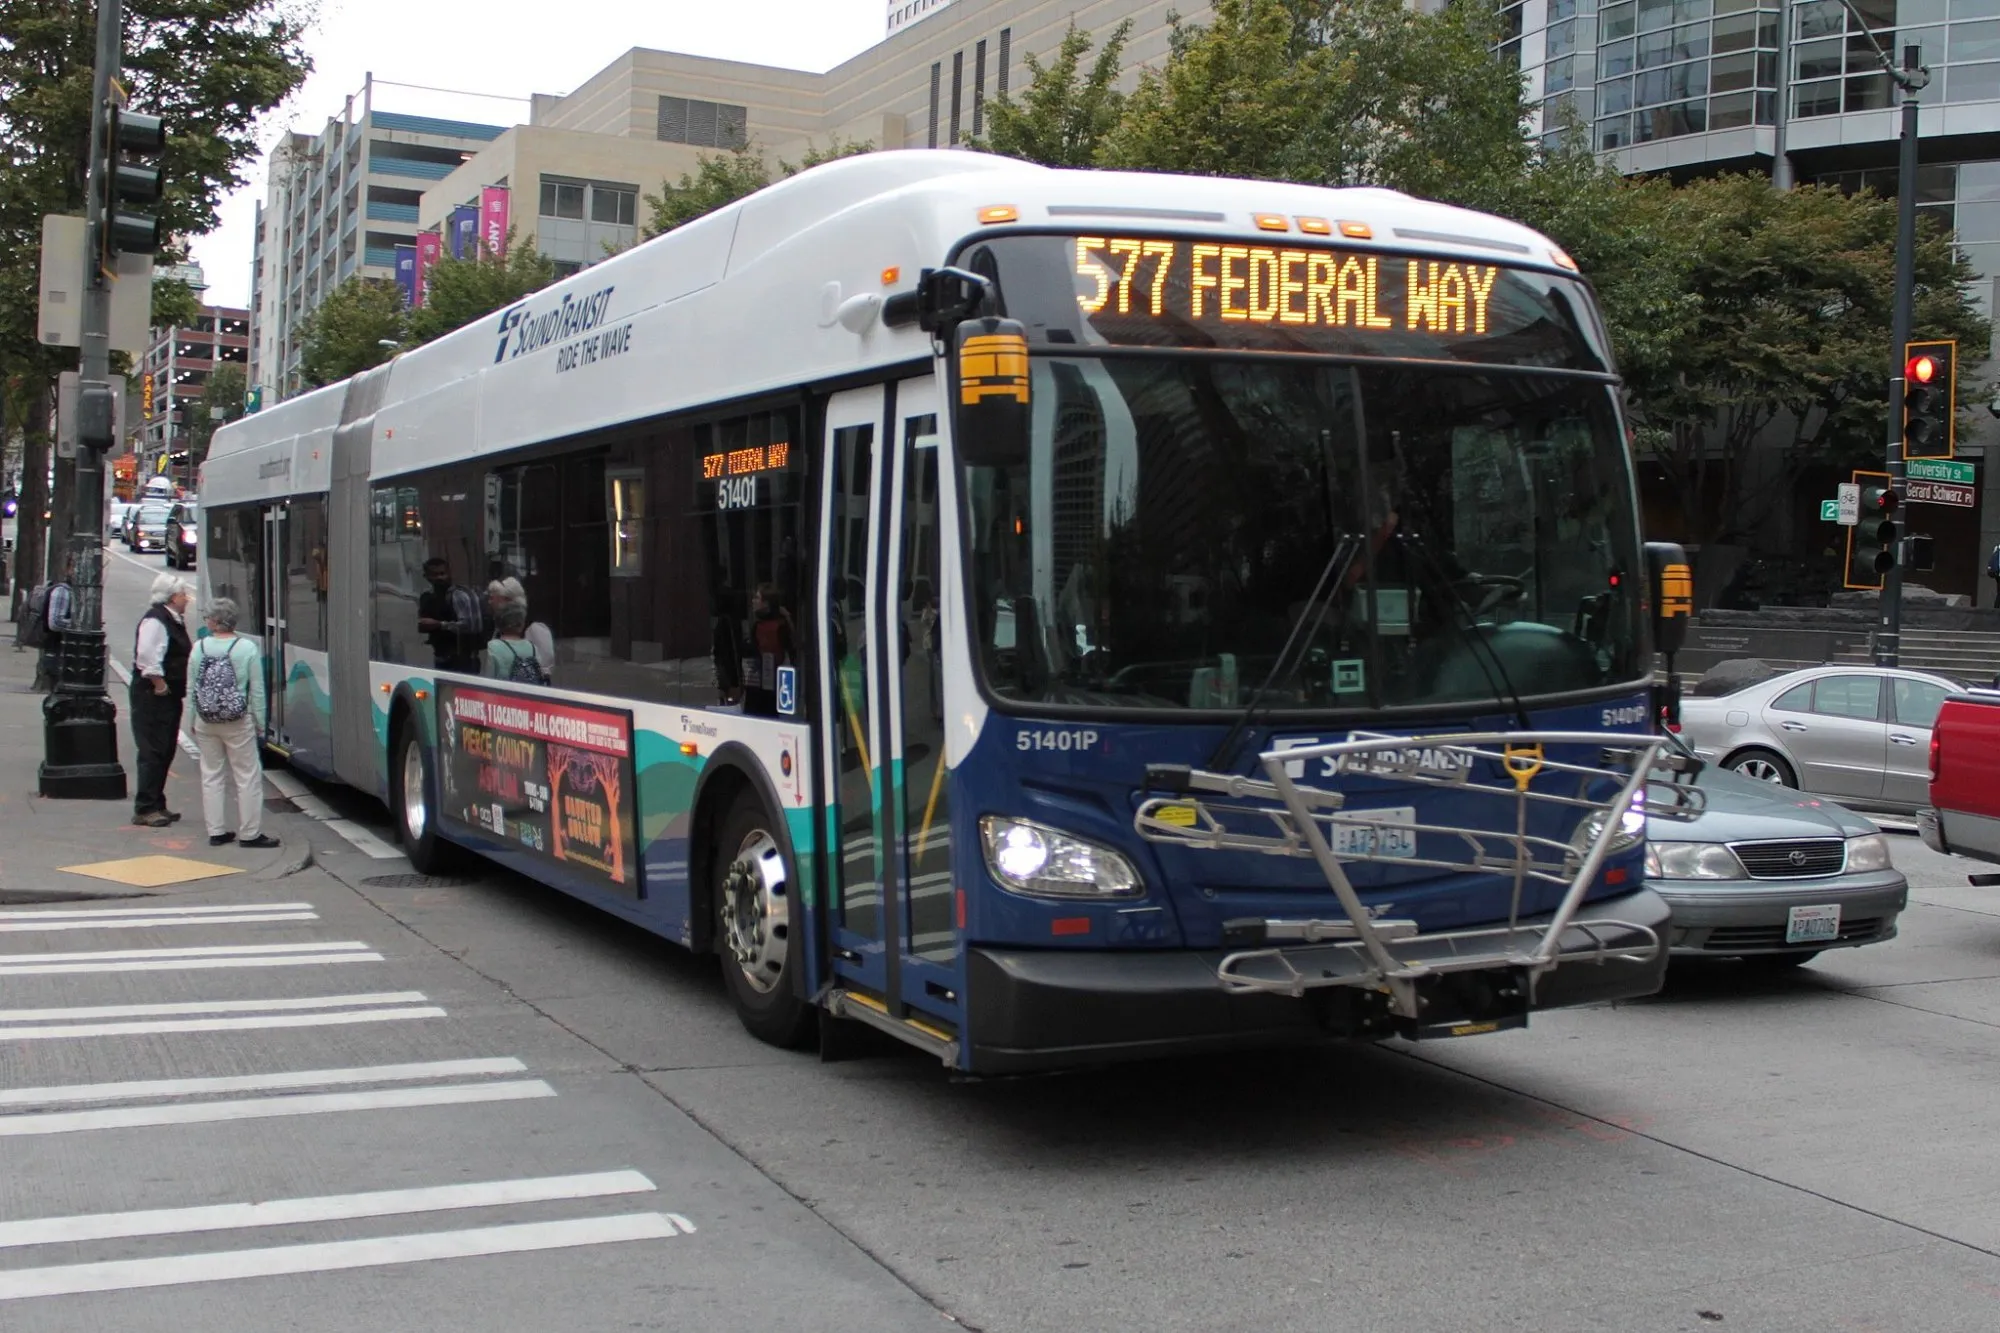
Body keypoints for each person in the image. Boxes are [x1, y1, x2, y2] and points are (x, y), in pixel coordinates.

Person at [187, 598, 277, 849]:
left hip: (206, 720)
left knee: (211, 774)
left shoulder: (199, 648)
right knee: (247, 775)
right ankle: (250, 833)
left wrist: (191, 719)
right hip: (238, 720)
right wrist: (260, 721)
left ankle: (216, 831)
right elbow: (257, 690)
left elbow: (192, 686)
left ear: (214, 622)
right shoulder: (246, 648)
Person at [130, 574, 193, 827]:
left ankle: (156, 802)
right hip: (154, 694)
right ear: (172, 596)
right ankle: (145, 806)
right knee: (153, 749)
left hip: (168, 693)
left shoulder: (170, 619)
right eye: (183, 595)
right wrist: (160, 685)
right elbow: (147, 656)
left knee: (165, 748)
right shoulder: (156, 620)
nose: (186, 599)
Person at [416, 557, 484, 673]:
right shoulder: (427, 598)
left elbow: (471, 626)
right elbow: (422, 625)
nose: (439, 578)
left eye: (442, 573)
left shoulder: (460, 595)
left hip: (463, 659)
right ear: (426, 577)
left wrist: (440, 625)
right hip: (440, 657)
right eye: (434, 574)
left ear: (449, 574)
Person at [485, 577, 553, 679]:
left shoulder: (535, 628)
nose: (490, 602)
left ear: (508, 600)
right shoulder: (499, 626)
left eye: (495, 598)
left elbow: (543, 668)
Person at [30, 559, 75, 691]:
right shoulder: (62, 591)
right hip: (56, 649)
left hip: (60, 652)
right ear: (68, 570)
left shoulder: (70, 591)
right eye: (75, 567)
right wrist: (76, 624)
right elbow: (55, 623)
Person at [483, 604, 548, 684]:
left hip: (503, 694)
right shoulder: (532, 647)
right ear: (521, 624)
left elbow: (488, 679)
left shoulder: (493, 646)